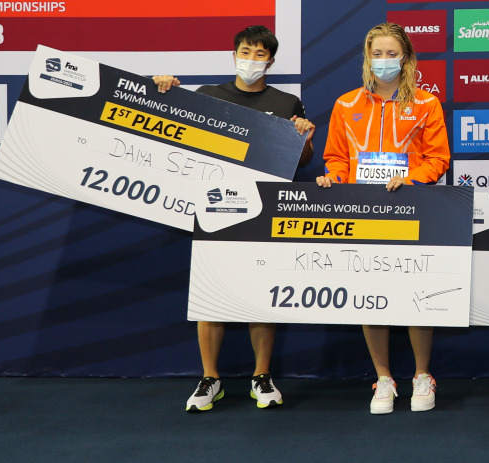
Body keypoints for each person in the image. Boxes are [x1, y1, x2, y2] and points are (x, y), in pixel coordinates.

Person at [153, 24, 316, 413]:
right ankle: (211, 378)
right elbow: (171, 130)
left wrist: (305, 139)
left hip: (265, 209)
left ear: (271, 61)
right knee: (212, 296)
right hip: (213, 206)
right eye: (246, 52)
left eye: (260, 54)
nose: (252, 60)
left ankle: (262, 376)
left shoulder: (288, 101)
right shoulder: (208, 96)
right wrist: (158, 88)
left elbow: (301, 162)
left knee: (261, 294)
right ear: (234, 55)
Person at [315, 22, 450, 414]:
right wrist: (334, 178)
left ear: (406, 58)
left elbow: (438, 159)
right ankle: (384, 378)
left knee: (414, 293)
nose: (385, 61)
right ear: (367, 58)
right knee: (372, 297)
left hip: (410, 211)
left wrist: (411, 179)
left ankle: (422, 376)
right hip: (362, 213)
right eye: (378, 54)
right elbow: (337, 158)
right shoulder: (346, 105)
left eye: (393, 54)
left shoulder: (426, 104)